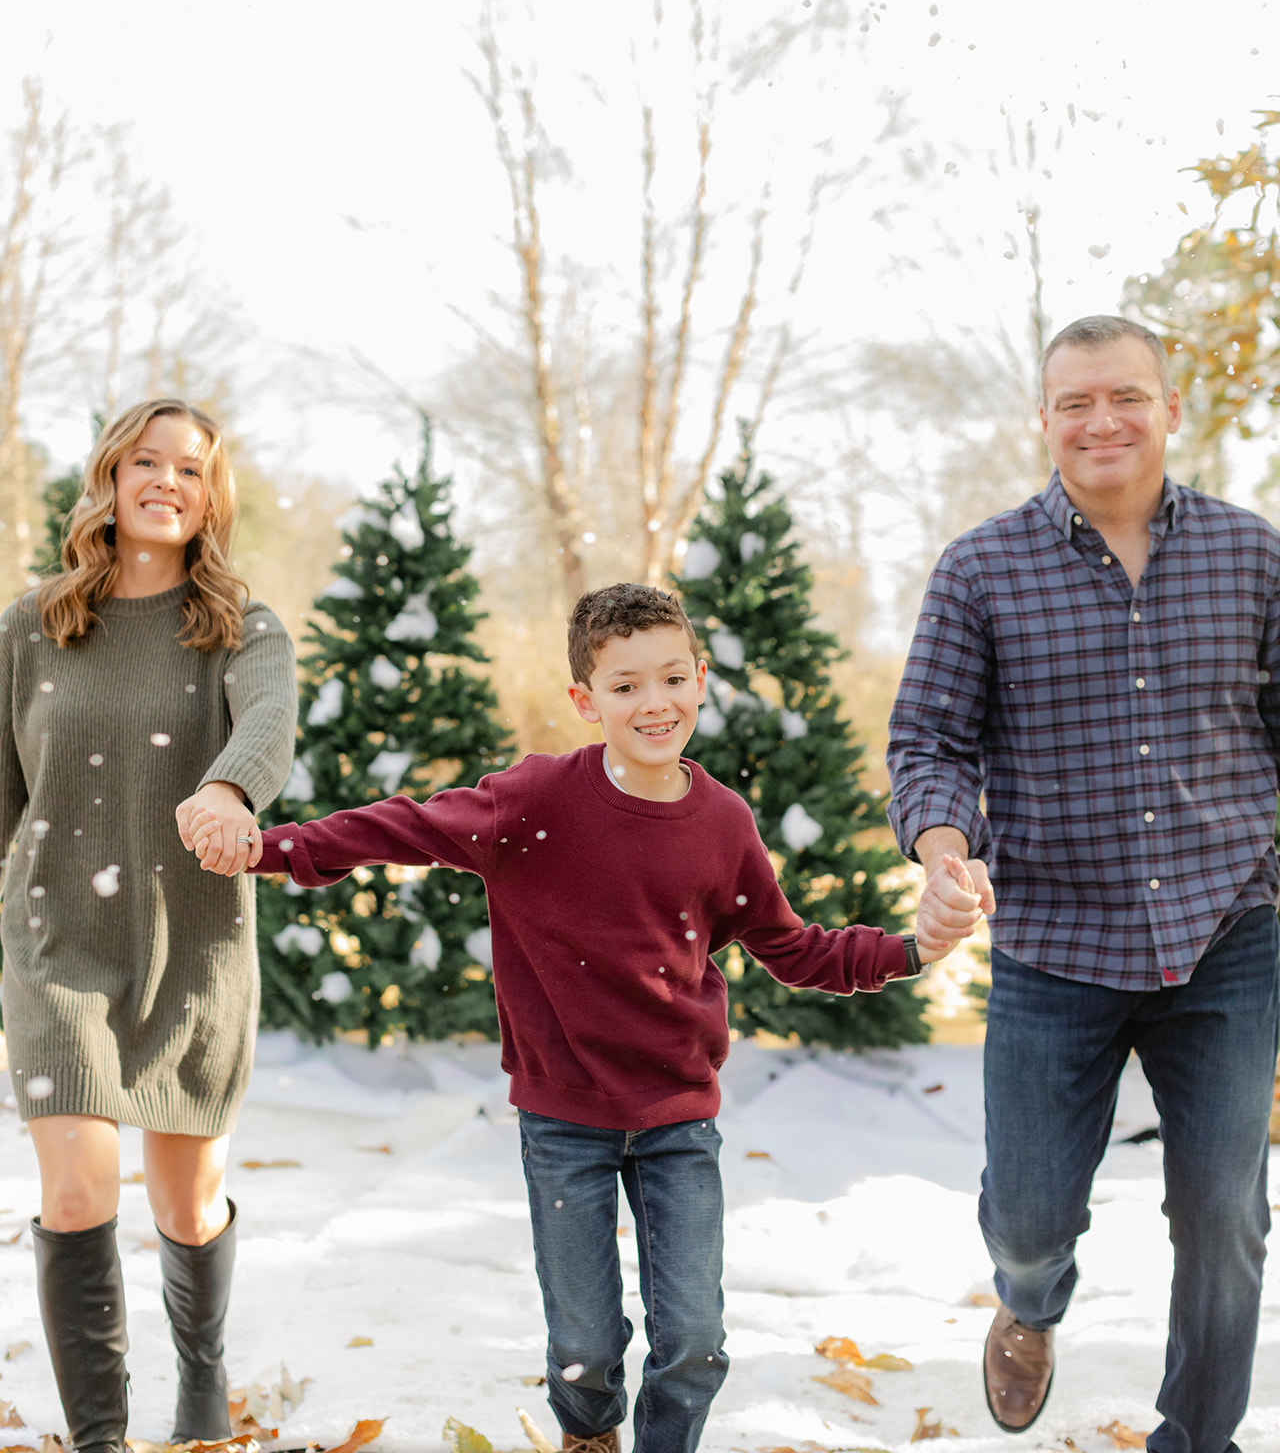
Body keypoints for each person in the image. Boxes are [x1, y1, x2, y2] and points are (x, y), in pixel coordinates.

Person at [193, 582, 968, 1453]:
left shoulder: (722, 822)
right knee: (586, 1353)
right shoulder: (533, 805)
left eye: (672, 679)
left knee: (695, 1343)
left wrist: (910, 951)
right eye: (626, 685)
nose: (654, 703)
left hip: (679, 1118)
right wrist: (270, 847)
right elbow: (399, 827)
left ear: (701, 680)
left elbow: (791, 946)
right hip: (563, 1120)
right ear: (585, 700)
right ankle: (589, 1437)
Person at [886, 314, 1280, 1450]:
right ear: (1044, 421)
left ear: (1166, 409)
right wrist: (945, 852)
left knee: (1223, 1214)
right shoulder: (981, 567)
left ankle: (1193, 1437)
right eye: (1073, 402)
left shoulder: (1251, 556)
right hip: (1053, 939)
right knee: (1024, 1218)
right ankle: (1027, 1303)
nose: (1099, 420)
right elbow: (927, 742)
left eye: (1123, 396)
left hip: (1226, 928)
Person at [0, 399, 297, 1453]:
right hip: (56, 943)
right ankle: (100, 1440)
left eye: (191, 466)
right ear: (111, 477)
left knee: (185, 1205)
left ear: (211, 495)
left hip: (193, 943)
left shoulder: (240, 629)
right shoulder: (33, 628)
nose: (166, 478)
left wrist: (229, 789)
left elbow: (268, 720)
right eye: (145, 459)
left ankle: (202, 1378)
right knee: (77, 1190)